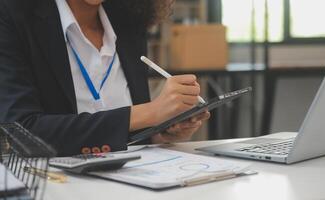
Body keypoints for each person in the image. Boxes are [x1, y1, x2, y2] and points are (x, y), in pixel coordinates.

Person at [0, 0, 210, 156]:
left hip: (136, 180)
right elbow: (20, 131)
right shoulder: (12, 15)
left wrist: (161, 132)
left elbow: (129, 131)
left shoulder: (129, 21)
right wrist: (149, 113)